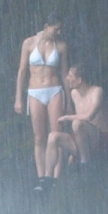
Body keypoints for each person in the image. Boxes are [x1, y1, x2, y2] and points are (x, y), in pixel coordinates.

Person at [14, 15, 70, 189]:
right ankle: (41, 178)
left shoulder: (61, 46)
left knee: (56, 135)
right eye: (56, 29)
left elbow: (64, 74)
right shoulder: (29, 43)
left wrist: (68, 101)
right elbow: (22, 71)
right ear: (47, 26)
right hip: (35, 91)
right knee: (39, 137)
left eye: (60, 29)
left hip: (54, 90)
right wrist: (18, 98)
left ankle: (54, 177)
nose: (59, 32)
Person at [47, 63, 108, 176]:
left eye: (70, 76)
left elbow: (89, 116)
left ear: (79, 80)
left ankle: (85, 165)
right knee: (53, 137)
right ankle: (47, 179)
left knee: (77, 123)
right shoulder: (74, 93)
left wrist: (67, 117)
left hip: (103, 138)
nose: (66, 78)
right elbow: (80, 123)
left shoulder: (97, 91)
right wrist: (74, 152)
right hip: (86, 141)